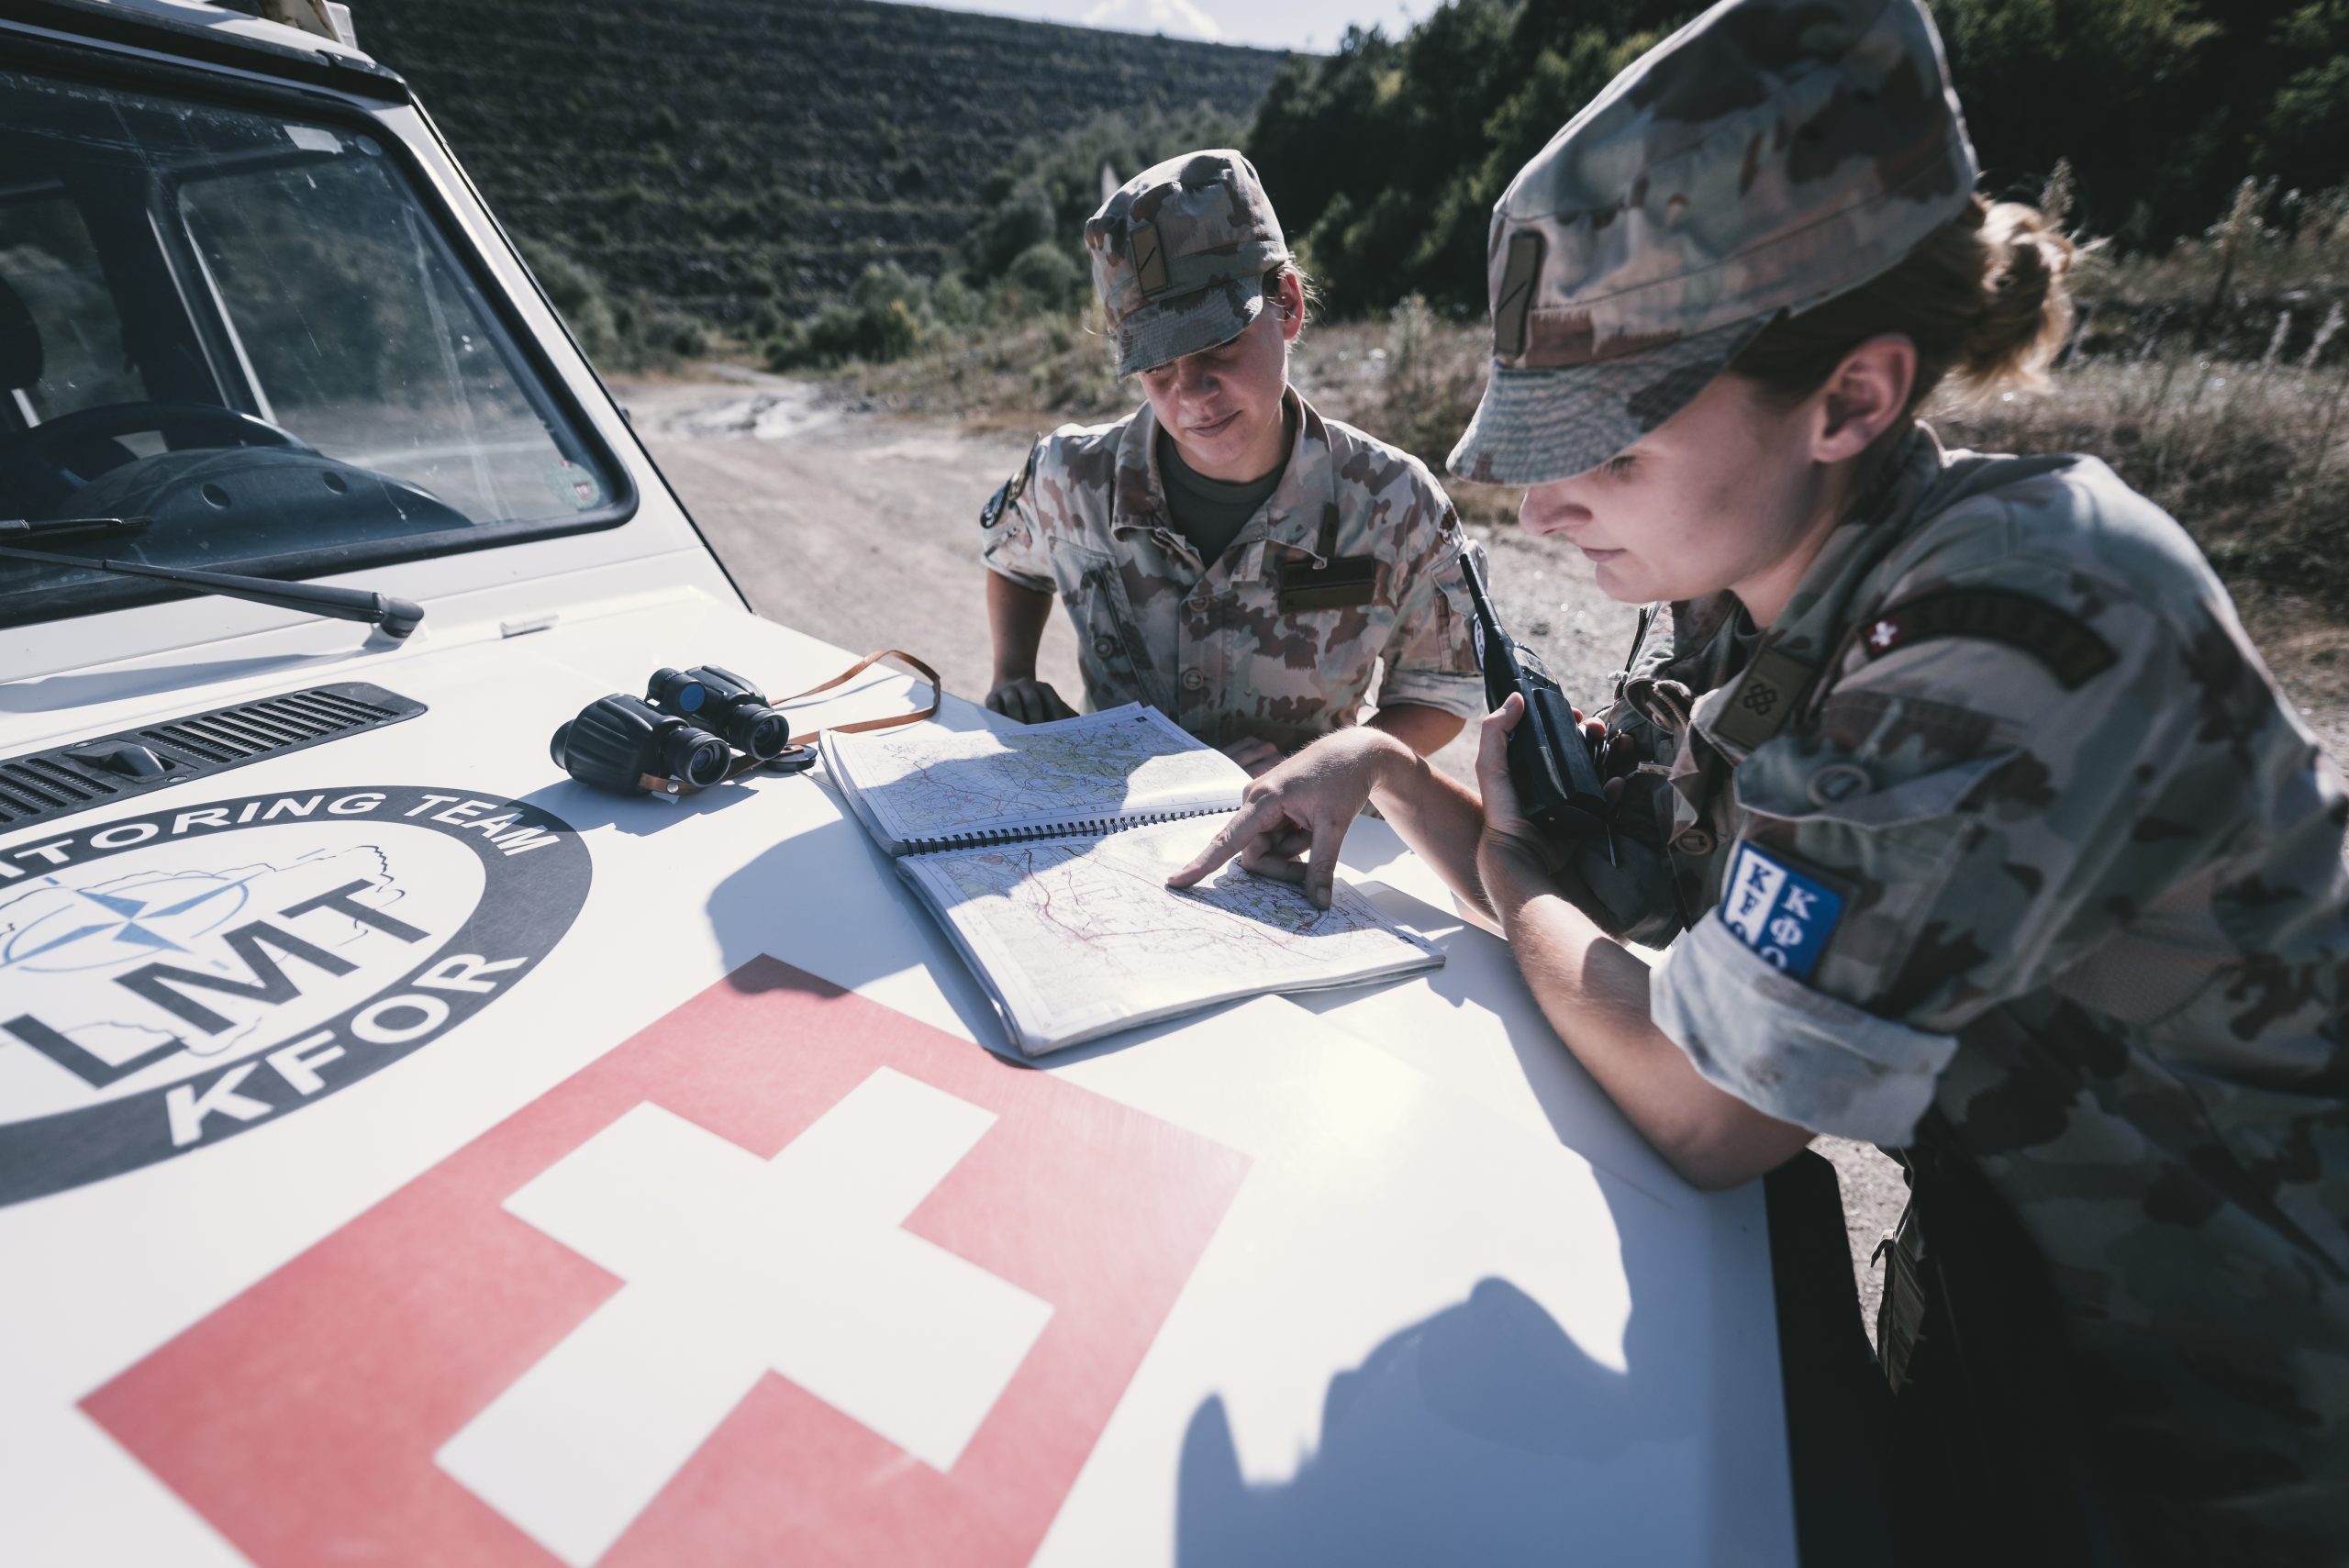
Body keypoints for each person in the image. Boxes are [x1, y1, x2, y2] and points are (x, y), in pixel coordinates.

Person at [1167, 1, 2347, 1560]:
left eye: (1613, 444)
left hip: (2235, 1419)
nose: (1545, 498)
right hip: (2023, 1302)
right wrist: (1386, 759)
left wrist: (1519, 876)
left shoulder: (2016, 619)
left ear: (1853, 396)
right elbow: (1622, 933)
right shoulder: (1768, 607)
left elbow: (1700, 1095)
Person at [978, 150, 1480, 775]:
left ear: (1288, 305)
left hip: (1286, 845)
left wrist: (1320, 774)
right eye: (1155, 364)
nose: (1191, 392)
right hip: (1116, 832)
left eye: (1217, 342)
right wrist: (1012, 676)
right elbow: (1013, 560)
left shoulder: (1396, 502)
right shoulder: (1071, 477)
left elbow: (1438, 692)